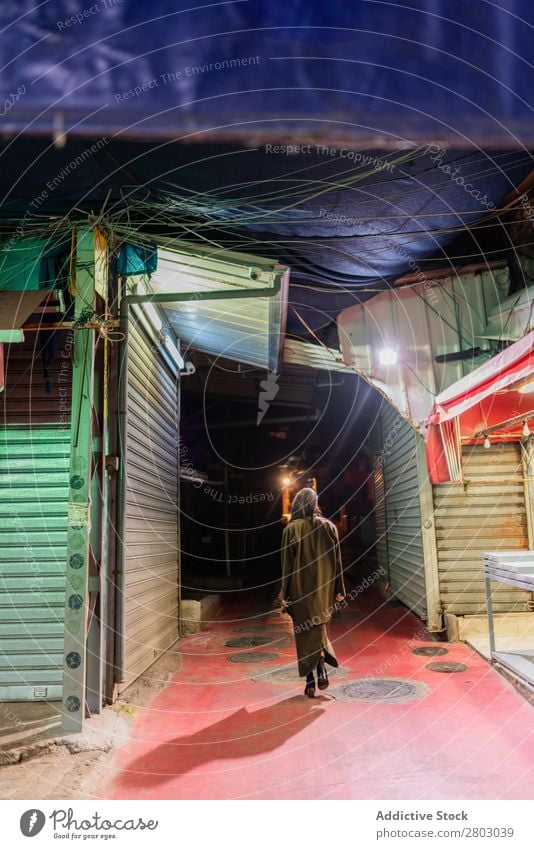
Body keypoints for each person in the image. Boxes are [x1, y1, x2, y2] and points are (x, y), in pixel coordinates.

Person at [278, 487, 346, 698]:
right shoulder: (329, 527)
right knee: (319, 629)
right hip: (324, 589)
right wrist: (339, 590)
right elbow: (337, 562)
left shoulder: (291, 530)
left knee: (305, 633)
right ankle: (321, 670)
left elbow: (286, 566)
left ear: (297, 504)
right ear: (315, 504)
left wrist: (283, 594)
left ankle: (311, 679)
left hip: (300, 591)